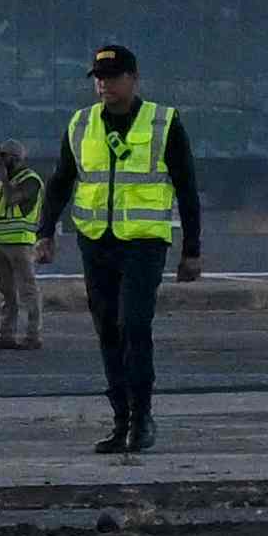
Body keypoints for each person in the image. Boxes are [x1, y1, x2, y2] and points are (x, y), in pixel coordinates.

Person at [46, 43, 195, 460]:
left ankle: (143, 416)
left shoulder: (163, 122)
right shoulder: (80, 123)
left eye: (112, 77)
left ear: (133, 79)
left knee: (134, 324)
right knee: (107, 329)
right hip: (96, 241)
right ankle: (121, 420)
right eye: (98, 77)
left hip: (144, 241)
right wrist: (45, 231)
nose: (103, 84)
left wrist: (192, 249)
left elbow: (186, 186)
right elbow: (61, 180)